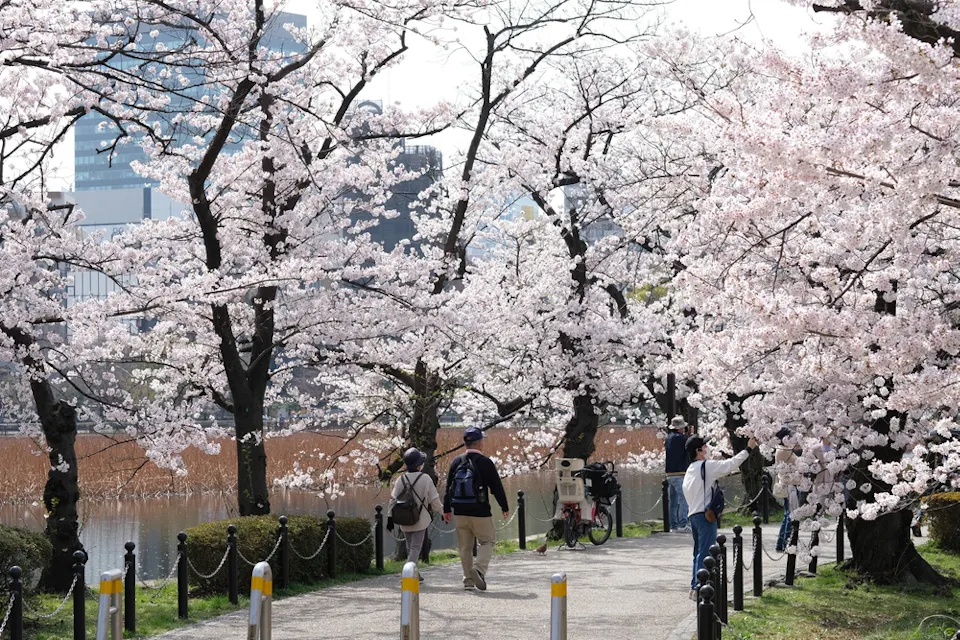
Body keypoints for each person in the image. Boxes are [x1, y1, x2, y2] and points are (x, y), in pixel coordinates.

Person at [682, 434, 756, 601]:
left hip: (693, 515)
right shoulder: (705, 466)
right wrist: (748, 448)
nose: (707, 449)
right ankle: (701, 589)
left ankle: (695, 586)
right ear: (698, 451)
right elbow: (731, 465)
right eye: (704, 447)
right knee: (706, 552)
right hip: (704, 515)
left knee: (698, 553)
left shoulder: (691, 470)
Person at [443, 427, 509, 591]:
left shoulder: (456, 461)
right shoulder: (485, 462)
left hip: (459, 512)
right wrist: (504, 506)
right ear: (479, 443)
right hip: (480, 511)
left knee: (465, 547)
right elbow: (496, 487)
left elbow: (448, 488)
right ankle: (479, 570)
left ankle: (467, 580)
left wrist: (447, 509)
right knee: (487, 541)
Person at [386, 447, 443, 578]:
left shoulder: (401, 479)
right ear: (419, 465)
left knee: (410, 546)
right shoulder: (426, 479)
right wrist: (443, 511)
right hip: (420, 519)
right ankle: (408, 575)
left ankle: (416, 574)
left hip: (404, 518)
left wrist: (390, 519)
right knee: (415, 548)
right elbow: (434, 500)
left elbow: (392, 500)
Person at [774, 428, 803, 552]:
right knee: (790, 515)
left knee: (788, 515)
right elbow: (798, 463)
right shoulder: (784, 451)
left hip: (789, 485)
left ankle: (782, 543)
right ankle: (787, 542)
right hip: (790, 486)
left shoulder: (783, 450)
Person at [664, 416, 690, 532]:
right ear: (680, 428)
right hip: (680, 473)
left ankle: (673, 525)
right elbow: (689, 448)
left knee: (673, 501)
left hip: (670, 474)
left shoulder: (669, 438)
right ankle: (683, 524)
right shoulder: (681, 439)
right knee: (684, 498)